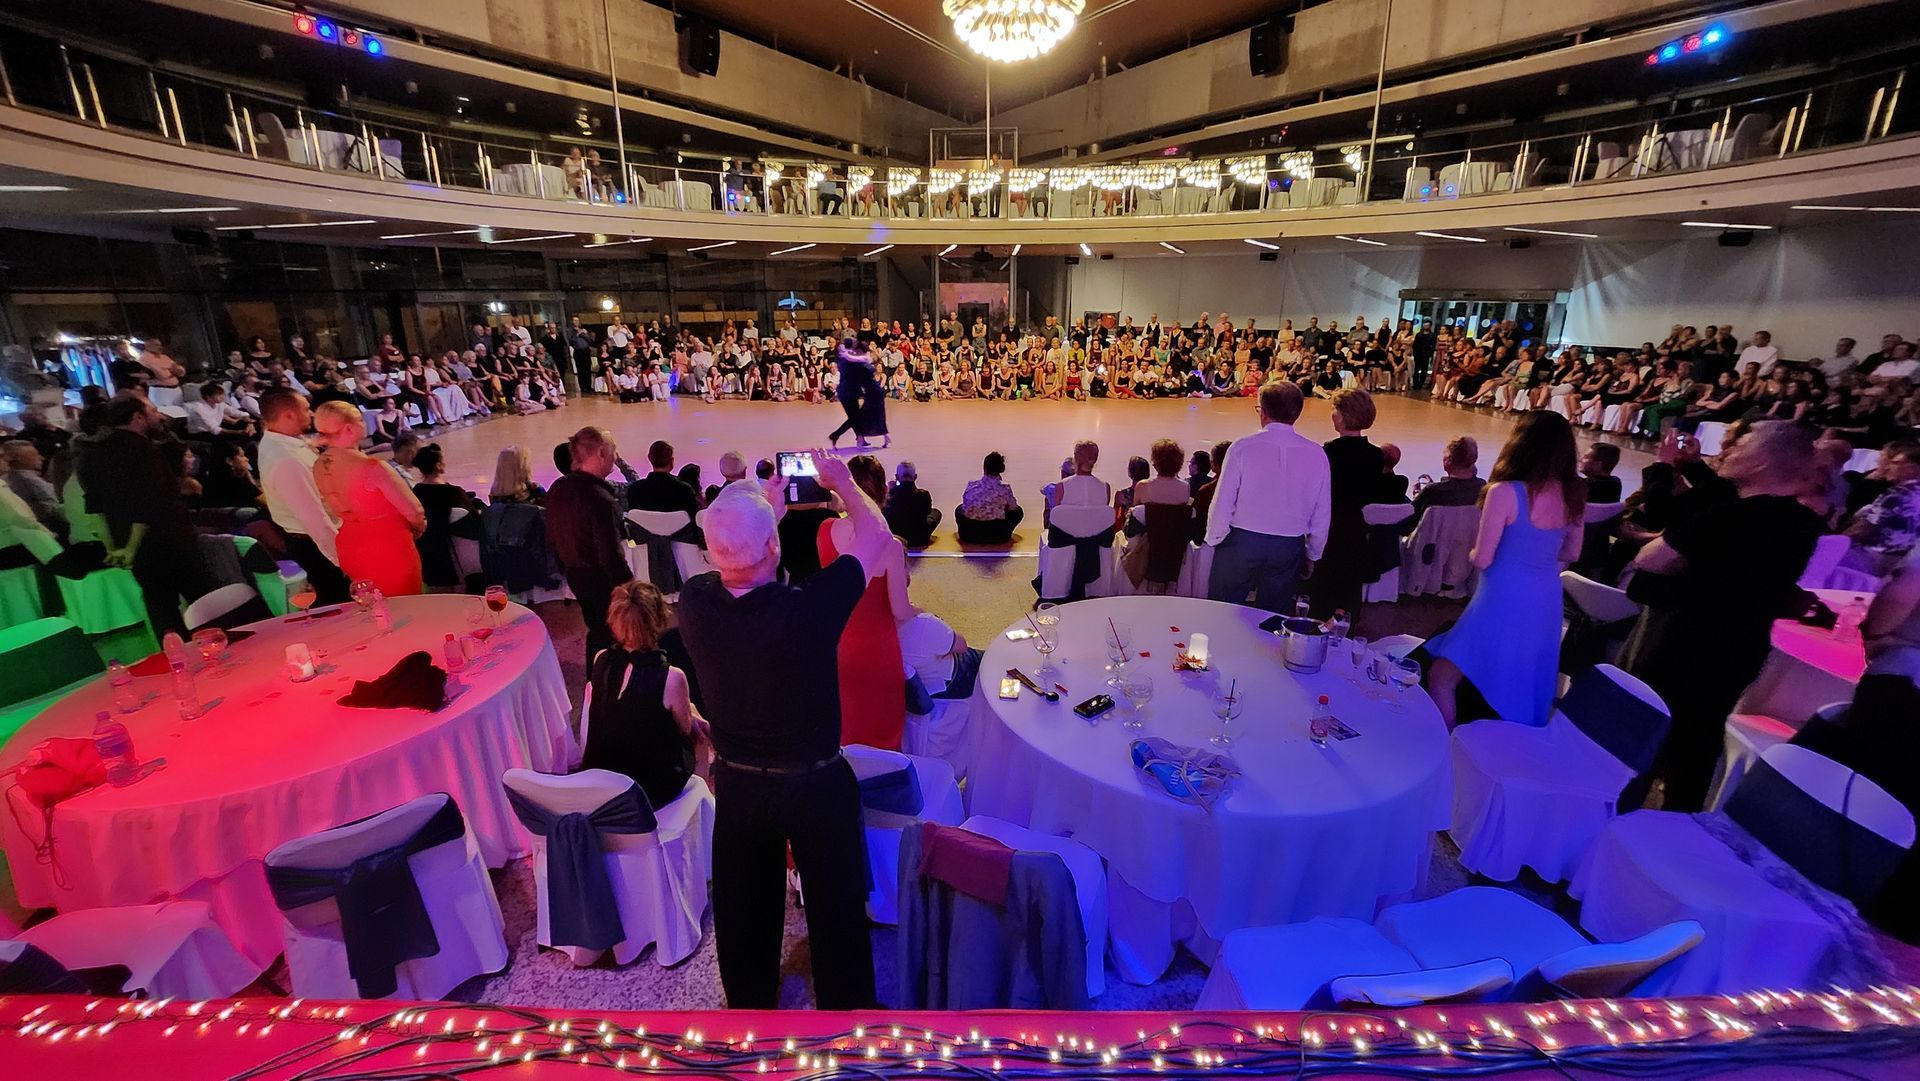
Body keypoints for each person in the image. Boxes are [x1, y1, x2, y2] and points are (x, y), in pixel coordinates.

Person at [676, 455, 889, 1010]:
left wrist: (763, 518)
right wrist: (843, 482)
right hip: (815, 782)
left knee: (744, 913)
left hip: (739, 783)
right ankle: (847, 1013)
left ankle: (749, 1013)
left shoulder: (695, 603)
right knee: (837, 909)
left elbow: (739, 565)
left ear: (712, 553)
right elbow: (877, 536)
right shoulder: (810, 610)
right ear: (773, 546)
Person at [1629, 421, 1826, 810]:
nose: (1729, 448)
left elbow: (1650, 559)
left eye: (1742, 443)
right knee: (1698, 743)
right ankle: (1678, 822)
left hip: (1688, 641)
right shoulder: (1803, 523)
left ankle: (1618, 821)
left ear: (1762, 461)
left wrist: (1690, 562)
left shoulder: (1730, 517)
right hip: (1743, 647)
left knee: (1647, 735)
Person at [1422, 411, 1584, 728]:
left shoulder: (1505, 492)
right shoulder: (1574, 493)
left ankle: (1446, 743)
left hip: (1501, 597)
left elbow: (1483, 559)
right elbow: (1571, 552)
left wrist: (1472, 552)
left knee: (1442, 675)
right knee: (1522, 680)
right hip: (1546, 598)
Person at [76, 396, 217, 637]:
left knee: (160, 604)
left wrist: (114, 548)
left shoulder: (91, 454)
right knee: (201, 598)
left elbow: (95, 506)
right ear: (138, 417)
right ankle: (218, 646)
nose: (158, 416)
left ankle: (175, 654)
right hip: (168, 537)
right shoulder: (142, 449)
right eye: (152, 411)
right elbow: (150, 502)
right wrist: (131, 547)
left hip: (130, 541)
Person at [580, 580, 708, 811]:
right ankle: (701, 809)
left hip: (603, 776)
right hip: (647, 790)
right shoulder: (672, 677)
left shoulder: (601, 659)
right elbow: (684, 729)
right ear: (658, 619)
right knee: (700, 737)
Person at [1205, 381, 1330, 612]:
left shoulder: (1242, 447)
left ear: (1263, 412)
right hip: (1289, 545)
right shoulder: (1317, 453)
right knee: (1272, 615)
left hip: (1241, 542)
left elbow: (1223, 501)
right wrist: (1313, 553)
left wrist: (1214, 538)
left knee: (1222, 610)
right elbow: (1322, 511)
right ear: (1297, 413)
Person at [818, 455, 914, 750]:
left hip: (840, 644)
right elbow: (901, 611)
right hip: (877, 651)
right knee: (883, 733)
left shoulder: (825, 530)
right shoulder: (890, 545)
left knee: (848, 727)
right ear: (884, 490)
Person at [311, 401, 427, 598]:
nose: (364, 423)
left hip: (350, 545)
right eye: (360, 420)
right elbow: (414, 511)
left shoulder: (318, 465)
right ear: (349, 428)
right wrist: (419, 527)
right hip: (386, 547)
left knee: (372, 606)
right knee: (404, 605)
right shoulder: (372, 467)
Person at [547, 427, 636, 668]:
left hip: (575, 575)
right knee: (612, 634)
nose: (615, 456)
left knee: (597, 629)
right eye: (613, 450)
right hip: (601, 580)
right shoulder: (599, 499)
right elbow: (610, 557)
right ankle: (609, 680)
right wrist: (633, 589)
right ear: (601, 453)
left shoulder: (558, 488)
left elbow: (552, 537)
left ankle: (596, 678)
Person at [256, 390, 352, 605]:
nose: (311, 413)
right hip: (315, 543)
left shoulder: (279, 441)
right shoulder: (287, 460)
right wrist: (341, 559)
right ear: (289, 415)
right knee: (340, 601)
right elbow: (314, 518)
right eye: (306, 409)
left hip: (312, 539)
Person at [1311, 389, 1387, 618]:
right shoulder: (1376, 455)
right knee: (1349, 587)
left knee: (1324, 588)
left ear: (1343, 415)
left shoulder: (1329, 452)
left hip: (1330, 526)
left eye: (1334, 409)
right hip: (1357, 528)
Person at [412, 444, 479, 591]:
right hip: (453, 558)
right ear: (438, 465)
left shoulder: (416, 491)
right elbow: (475, 521)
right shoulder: (452, 493)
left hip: (426, 555)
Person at [1408, 436, 1485, 529]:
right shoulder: (1483, 488)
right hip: (1470, 537)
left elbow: (1407, 519)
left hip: (1435, 538)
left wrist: (1417, 495)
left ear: (1448, 461)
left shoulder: (1433, 491)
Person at [955, 451, 1024, 544]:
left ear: (985, 468)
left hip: (969, 535)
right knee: (1018, 511)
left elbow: (965, 506)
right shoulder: (1004, 489)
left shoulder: (972, 486)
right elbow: (1013, 507)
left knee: (959, 509)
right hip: (997, 536)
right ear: (1001, 469)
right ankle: (1003, 533)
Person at [628, 440, 701, 515]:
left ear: (649, 458)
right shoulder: (685, 491)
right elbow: (694, 519)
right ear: (671, 461)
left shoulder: (634, 490)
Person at [883, 460, 940, 548]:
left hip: (896, 537)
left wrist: (890, 490)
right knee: (936, 512)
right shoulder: (923, 495)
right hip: (919, 539)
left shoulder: (889, 496)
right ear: (915, 477)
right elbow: (927, 512)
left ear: (897, 477)